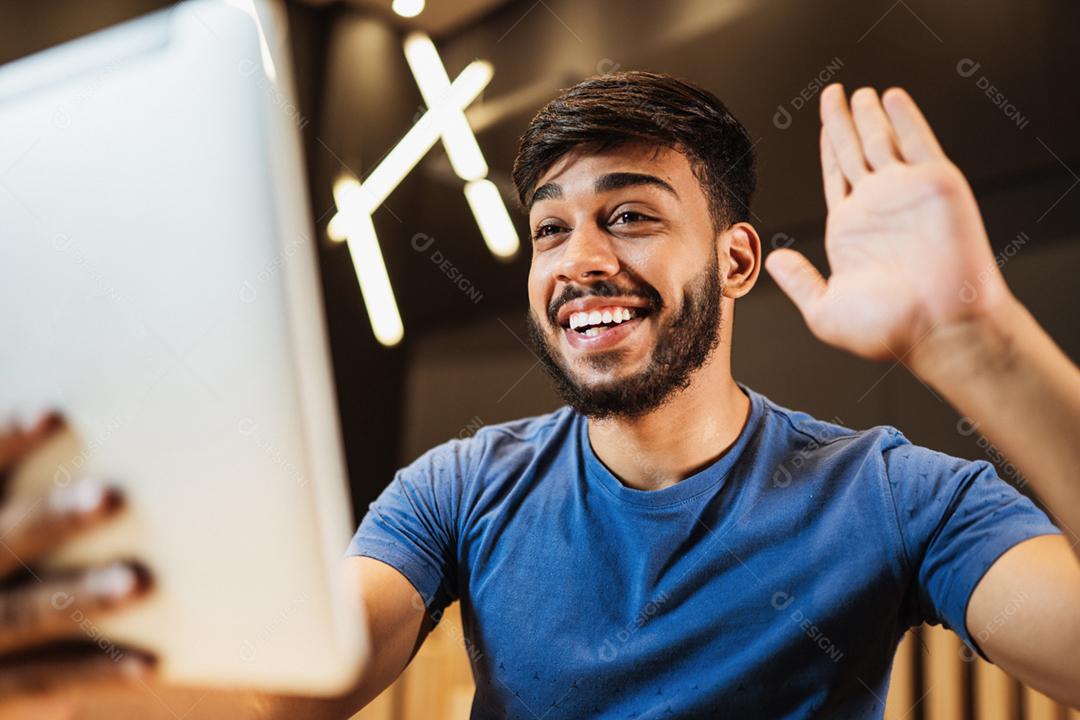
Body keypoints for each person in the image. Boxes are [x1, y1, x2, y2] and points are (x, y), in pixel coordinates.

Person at [1, 73, 1078, 718]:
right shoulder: (461, 488)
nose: (580, 261)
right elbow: (278, 695)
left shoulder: (891, 493)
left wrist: (979, 348)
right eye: (551, 228)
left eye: (631, 215)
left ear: (737, 260)